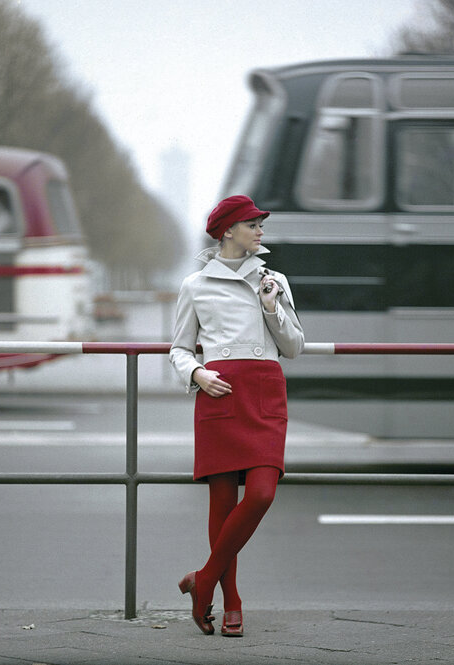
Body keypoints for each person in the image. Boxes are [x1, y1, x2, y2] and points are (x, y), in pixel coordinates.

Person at [170, 195, 304, 637]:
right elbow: (179, 349)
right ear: (228, 230)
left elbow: (294, 347)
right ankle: (231, 601)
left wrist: (271, 306)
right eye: (253, 224)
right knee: (222, 504)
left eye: (261, 224)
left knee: (262, 493)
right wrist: (198, 375)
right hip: (220, 393)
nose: (261, 231)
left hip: (264, 393)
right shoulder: (194, 285)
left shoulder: (273, 279)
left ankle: (202, 580)